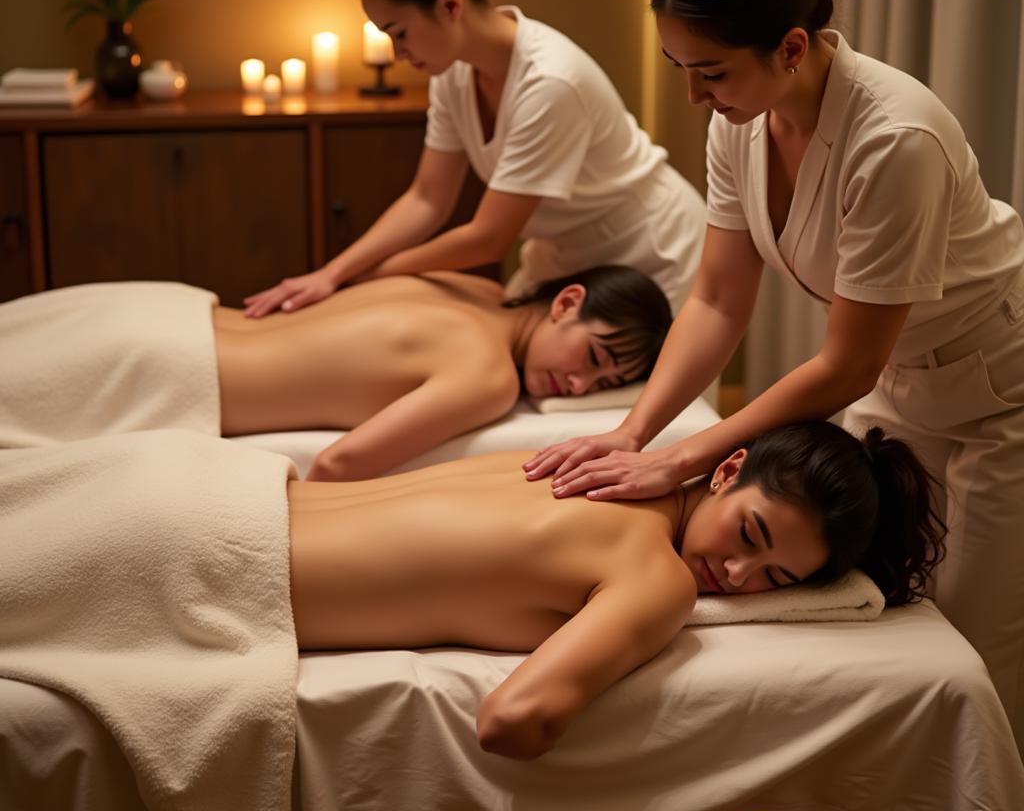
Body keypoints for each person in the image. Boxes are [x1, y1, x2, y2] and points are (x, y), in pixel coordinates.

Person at [523, 0, 1024, 758]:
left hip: (997, 400)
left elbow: (843, 361)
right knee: (856, 634)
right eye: (680, 68)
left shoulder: (893, 139)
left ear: (793, 48)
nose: (693, 96)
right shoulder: (739, 123)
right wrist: (634, 430)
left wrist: (684, 456)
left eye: (709, 71)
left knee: (967, 651)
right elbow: (718, 300)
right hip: (889, 385)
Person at [291, 419, 944, 760]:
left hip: (246, 496)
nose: (739, 576)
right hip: (233, 569)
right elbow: (512, 722)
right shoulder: (658, 579)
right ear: (727, 470)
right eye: (749, 535)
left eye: (775, 579)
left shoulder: (582, 464)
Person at [243, 0, 707, 319]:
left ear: (450, 4)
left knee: (655, 409)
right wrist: (333, 272)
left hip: (652, 246)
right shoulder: (453, 73)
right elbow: (427, 199)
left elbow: (487, 239)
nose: (397, 53)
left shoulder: (549, 83)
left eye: (399, 32)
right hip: (565, 252)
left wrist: (365, 278)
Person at [0, 266, 671, 482]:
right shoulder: (488, 375)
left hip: (158, 309)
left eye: (603, 386)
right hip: (159, 370)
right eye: (593, 359)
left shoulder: (470, 285)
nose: (580, 388)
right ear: (566, 303)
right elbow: (342, 464)